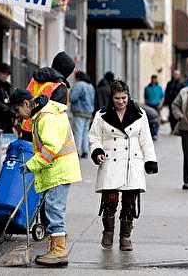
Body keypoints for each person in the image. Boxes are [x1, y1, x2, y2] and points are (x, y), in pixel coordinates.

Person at [9, 88, 81, 266]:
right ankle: (55, 249)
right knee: (52, 208)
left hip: (59, 170)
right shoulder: (42, 115)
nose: (19, 116)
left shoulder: (46, 118)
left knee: (54, 209)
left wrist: (30, 166)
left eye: (18, 111)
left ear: (26, 104)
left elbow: (50, 149)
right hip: (57, 169)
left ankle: (58, 251)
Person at [89, 79, 158, 251]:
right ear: (112, 97)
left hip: (132, 161)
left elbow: (146, 140)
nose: (121, 101)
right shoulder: (101, 115)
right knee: (110, 200)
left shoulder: (140, 114)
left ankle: (125, 237)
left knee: (129, 203)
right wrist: (97, 151)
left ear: (128, 96)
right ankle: (108, 232)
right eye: (117, 98)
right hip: (110, 160)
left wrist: (150, 160)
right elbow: (94, 137)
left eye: (124, 98)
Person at [20, 51, 76, 137]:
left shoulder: (35, 79)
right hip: (44, 132)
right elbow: (57, 116)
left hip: (27, 126)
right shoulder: (60, 87)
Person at [70, 71, 95, 158]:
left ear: (77, 77)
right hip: (88, 112)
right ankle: (85, 151)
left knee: (78, 132)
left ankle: (76, 151)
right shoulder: (90, 86)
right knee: (85, 132)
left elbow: (73, 97)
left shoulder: (79, 85)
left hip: (79, 111)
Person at [161, 70, 185, 134]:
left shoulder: (181, 84)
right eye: (175, 74)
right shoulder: (169, 83)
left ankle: (177, 129)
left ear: (179, 75)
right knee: (171, 116)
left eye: (177, 74)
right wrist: (165, 102)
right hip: (170, 102)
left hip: (178, 103)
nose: (176, 75)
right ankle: (172, 129)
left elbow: (184, 94)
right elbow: (167, 92)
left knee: (177, 116)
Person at [144, 75, 164, 140]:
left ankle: (155, 133)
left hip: (156, 105)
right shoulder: (147, 87)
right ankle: (150, 133)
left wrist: (161, 104)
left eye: (155, 79)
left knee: (155, 120)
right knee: (149, 120)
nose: (154, 80)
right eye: (153, 79)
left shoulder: (159, 87)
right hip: (149, 105)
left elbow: (163, 96)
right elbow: (145, 96)